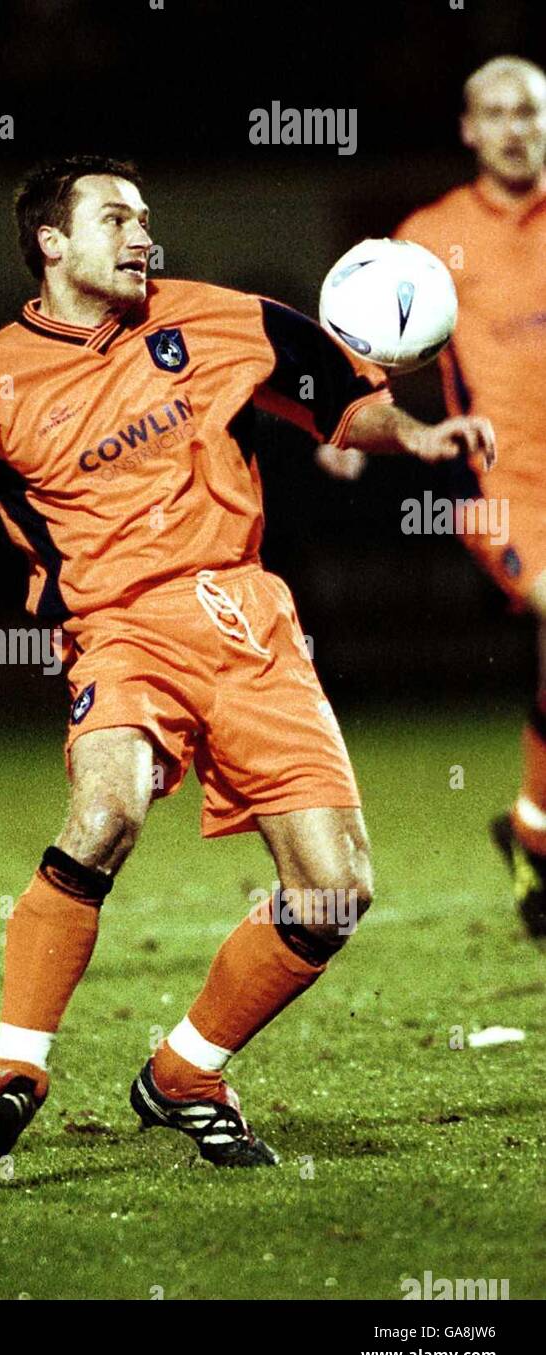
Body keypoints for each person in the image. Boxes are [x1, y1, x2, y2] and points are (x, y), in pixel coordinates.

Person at [0, 155, 495, 1164]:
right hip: (119, 630)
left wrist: (409, 434)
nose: (139, 232)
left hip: (247, 619)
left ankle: (184, 1070)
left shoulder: (218, 315)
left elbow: (336, 397)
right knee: (104, 811)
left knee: (331, 893)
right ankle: (13, 1067)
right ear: (50, 242)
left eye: (144, 215)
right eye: (113, 217)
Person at [394, 56, 546, 938]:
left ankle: (531, 829)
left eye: (528, 111)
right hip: (505, 485)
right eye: (495, 112)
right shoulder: (434, 234)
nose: (514, 128)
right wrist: (355, 421)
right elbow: (378, 337)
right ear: (468, 129)